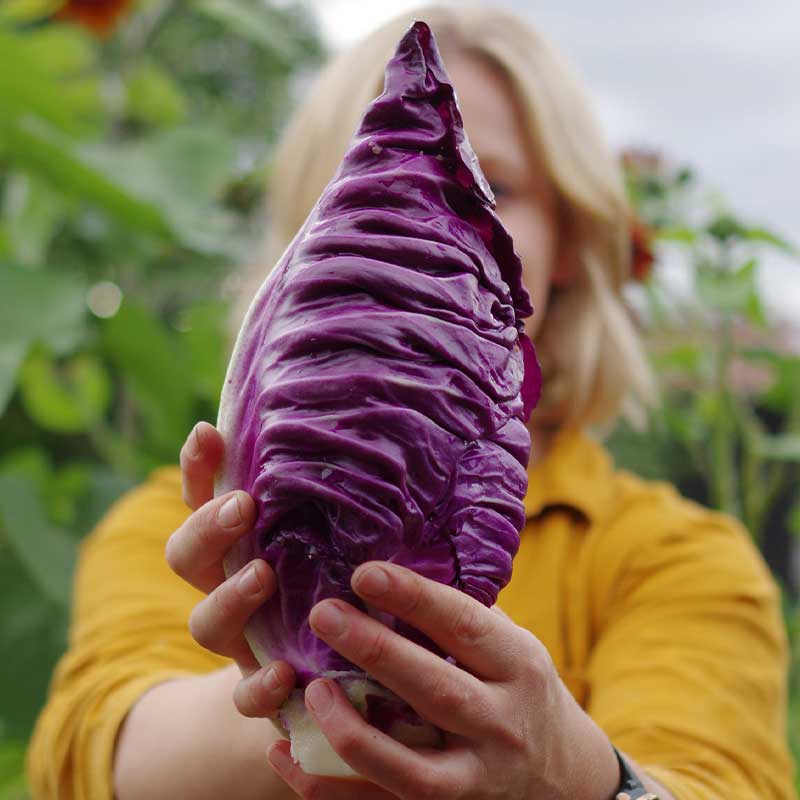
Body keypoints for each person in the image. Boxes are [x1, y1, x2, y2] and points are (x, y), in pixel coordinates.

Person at [26, 4, 797, 799]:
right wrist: (307, 688)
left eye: (493, 186)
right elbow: (91, 753)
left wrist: (574, 777)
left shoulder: (670, 558)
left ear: (568, 241)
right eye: (362, 191)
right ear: (300, 246)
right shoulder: (195, 532)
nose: (420, 226)